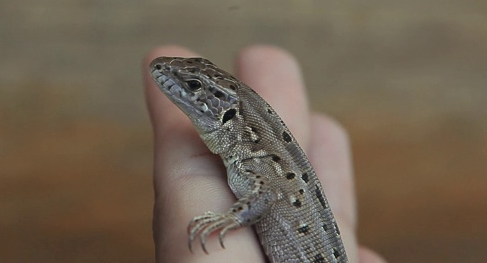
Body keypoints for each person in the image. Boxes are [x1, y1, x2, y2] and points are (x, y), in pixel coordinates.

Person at [143, 45, 386, 263]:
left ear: (228, 115)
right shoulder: (257, 157)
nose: (167, 74)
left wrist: (234, 218)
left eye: (193, 86)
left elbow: (265, 194)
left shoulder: (256, 162)